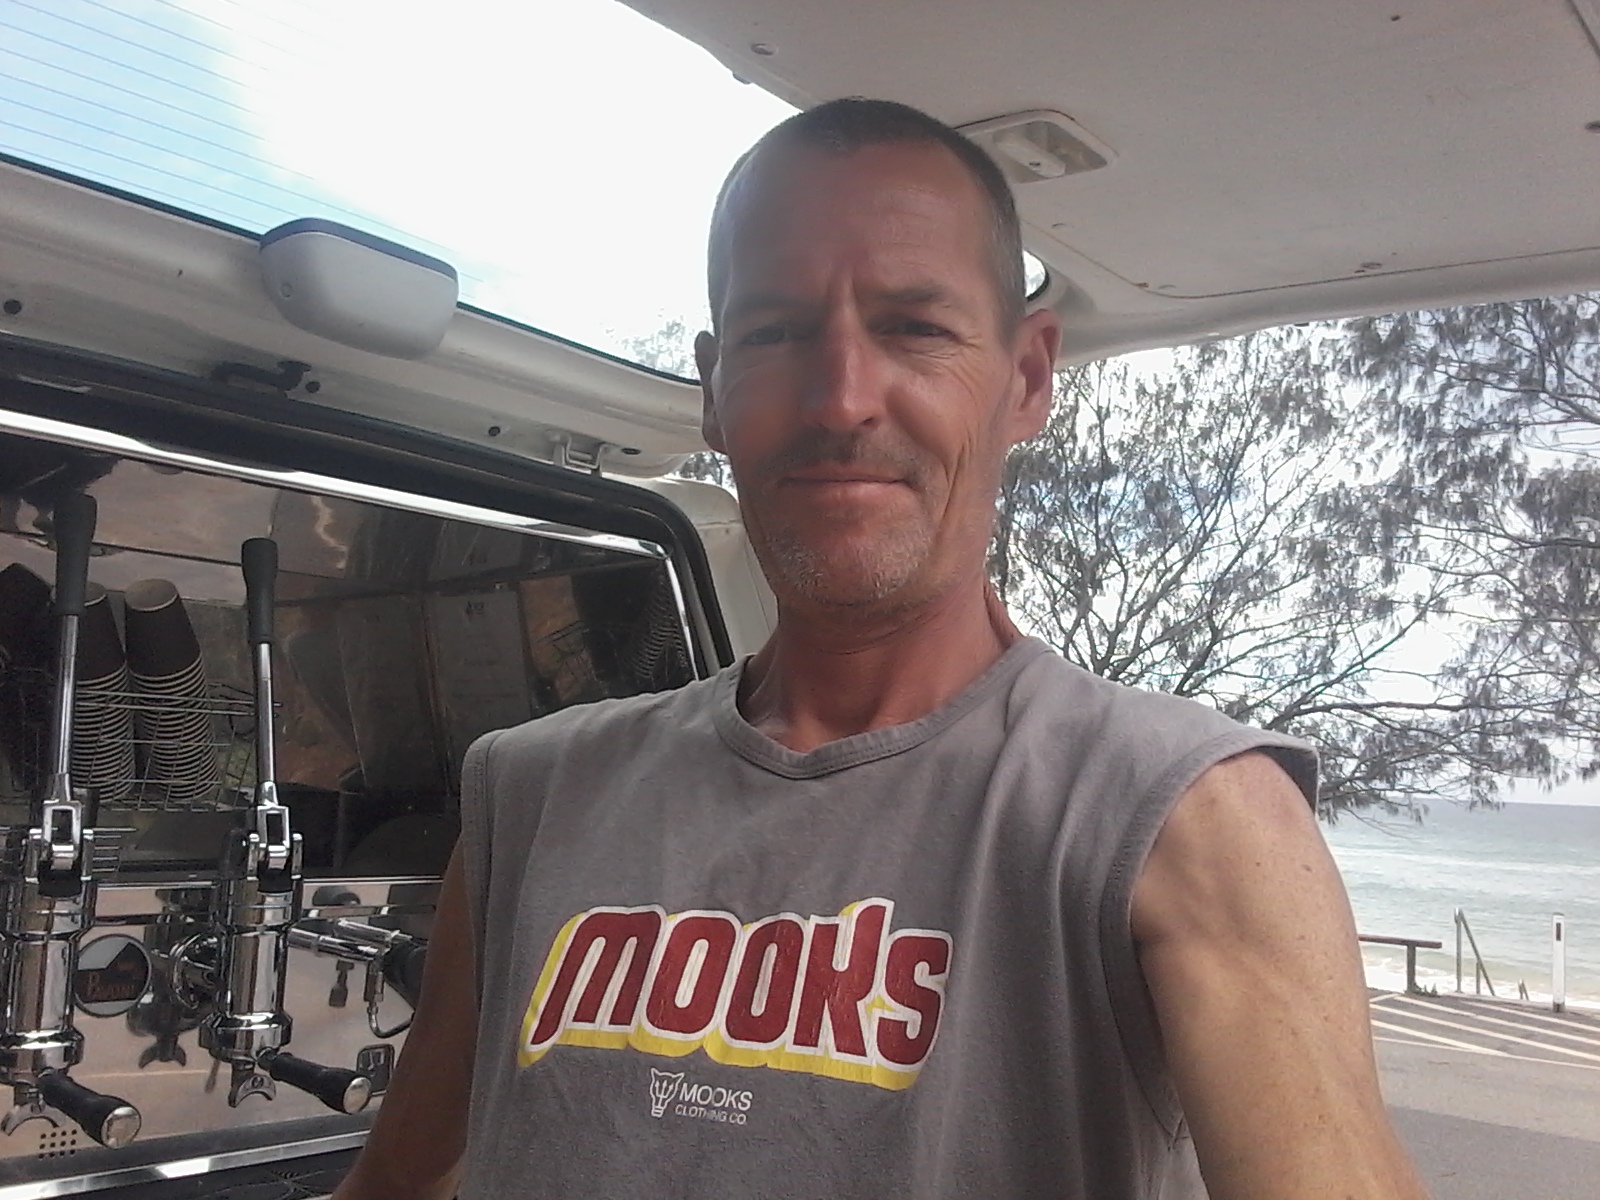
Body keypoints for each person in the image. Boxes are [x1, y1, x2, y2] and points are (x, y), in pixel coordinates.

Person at [333, 98, 1429, 1200]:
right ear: (714, 389)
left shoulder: (1183, 815)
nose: (842, 398)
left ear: (1027, 377)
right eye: (775, 332)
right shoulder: (533, 793)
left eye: (914, 328)